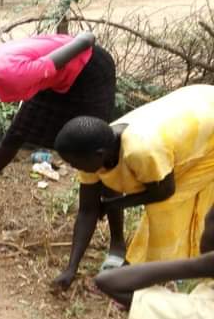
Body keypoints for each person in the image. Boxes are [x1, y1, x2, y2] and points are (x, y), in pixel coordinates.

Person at [0, 33, 124, 270]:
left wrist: (84, 39)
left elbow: (84, 42)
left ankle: (117, 245)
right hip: (54, 77)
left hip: (89, 69)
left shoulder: (15, 77)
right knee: (16, 135)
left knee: (98, 152)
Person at [53, 84, 214, 289]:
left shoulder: (141, 151)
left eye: (73, 162)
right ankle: (131, 259)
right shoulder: (93, 149)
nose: (71, 167)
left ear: (99, 155)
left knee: (166, 209)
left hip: (207, 126)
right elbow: (88, 210)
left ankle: (158, 280)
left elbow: (165, 191)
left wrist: (113, 204)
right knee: (121, 185)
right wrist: (71, 269)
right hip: (192, 105)